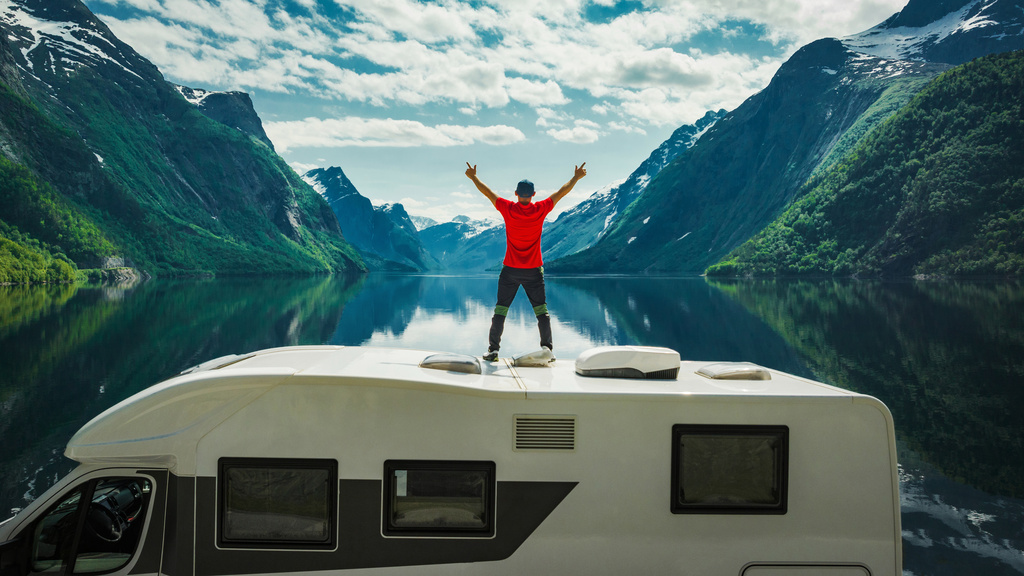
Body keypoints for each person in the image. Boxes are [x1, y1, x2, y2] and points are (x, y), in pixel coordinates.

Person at [465, 162, 587, 361]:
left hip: (510, 271)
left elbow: (487, 193)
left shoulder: (507, 208)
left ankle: (493, 350)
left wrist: (473, 177)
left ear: (516, 193)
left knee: (500, 310)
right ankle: (547, 349)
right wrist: (576, 177)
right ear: (533, 194)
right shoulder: (540, 208)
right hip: (533, 271)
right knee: (541, 311)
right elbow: (561, 193)